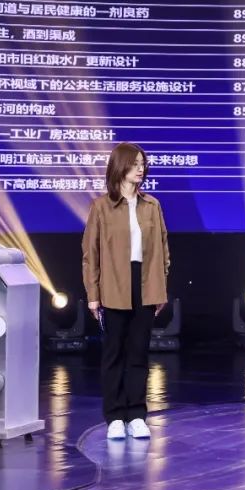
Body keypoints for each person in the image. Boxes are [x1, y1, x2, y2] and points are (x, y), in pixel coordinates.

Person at [82, 142, 170, 441]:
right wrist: (93, 294)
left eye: (143, 163)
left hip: (145, 283)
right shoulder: (101, 207)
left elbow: (163, 250)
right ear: (120, 167)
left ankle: (137, 415)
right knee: (114, 353)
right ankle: (115, 416)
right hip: (113, 284)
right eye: (134, 164)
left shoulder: (152, 205)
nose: (140, 169)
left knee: (139, 353)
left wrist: (160, 287)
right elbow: (90, 254)